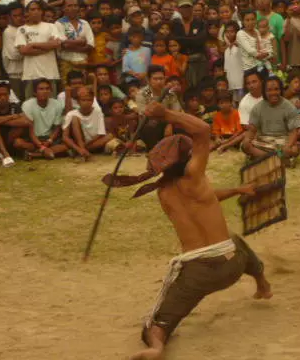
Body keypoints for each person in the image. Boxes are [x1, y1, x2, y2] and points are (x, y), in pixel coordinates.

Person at [101, 105, 271, 360]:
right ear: (187, 158)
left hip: (198, 274)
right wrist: (166, 113)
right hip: (232, 264)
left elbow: (204, 199)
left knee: (154, 326)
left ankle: (157, 346)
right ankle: (262, 283)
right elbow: (203, 130)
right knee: (235, 241)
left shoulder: (163, 193)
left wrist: (237, 190)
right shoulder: (195, 176)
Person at [242, 76, 300, 160]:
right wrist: (247, 140)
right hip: (263, 142)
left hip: (283, 142)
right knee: (245, 146)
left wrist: (288, 146)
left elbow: (293, 132)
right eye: (269, 90)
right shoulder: (257, 108)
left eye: (276, 89)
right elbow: (252, 130)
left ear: (281, 90)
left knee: (294, 149)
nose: (273, 93)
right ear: (264, 92)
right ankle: (278, 159)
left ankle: (264, 158)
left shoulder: (290, 107)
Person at [15, 0, 62, 98]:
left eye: (38, 9)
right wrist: (48, 46)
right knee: (30, 108)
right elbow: (23, 51)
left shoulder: (51, 26)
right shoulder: (21, 29)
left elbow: (56, 44)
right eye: (32, 9)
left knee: (51, 106)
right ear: (27, 12)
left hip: (50, 74)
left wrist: (32, 45)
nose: (36, 11)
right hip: (31, 75)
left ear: (42, 11)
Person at [0, 80, 31, 167]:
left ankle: (4, 152)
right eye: (0, 95)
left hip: (10, 140)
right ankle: (6, 155)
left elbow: (26, 122)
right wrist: (10, 117)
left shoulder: (14, 106)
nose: (3, 97)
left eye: (5, 94)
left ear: (9, 95)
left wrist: (0, 121)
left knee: (19, 128)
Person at [62, 86, 111, 160]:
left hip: (93, 143)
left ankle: (81, 150)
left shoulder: (98, 111)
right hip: (79, 142)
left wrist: (86, 145)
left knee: (110, 136)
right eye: (84, 100)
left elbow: (101, 133)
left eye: (89, 100)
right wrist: (79, 148)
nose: (87, 102)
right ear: (78, 102)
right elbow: (65, 137)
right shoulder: (71, 114)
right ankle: (81, 150)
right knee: (75, 119)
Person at [55, 0, 94, 81]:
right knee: (67, 90)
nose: (73, 8)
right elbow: (63, 45)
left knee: (83, 91)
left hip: (83, 63)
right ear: (63, 8)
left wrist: (70, 44)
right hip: (66, 63)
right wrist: (82, 42)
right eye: (69, 6)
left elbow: (90, 46)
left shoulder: (85, 23)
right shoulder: (58, 23)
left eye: (75, 5)